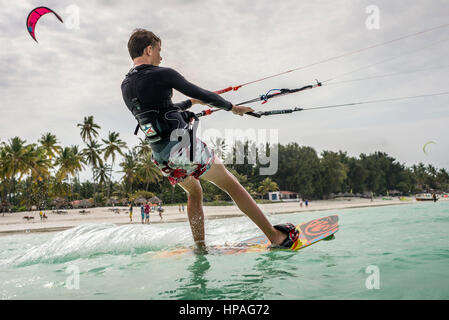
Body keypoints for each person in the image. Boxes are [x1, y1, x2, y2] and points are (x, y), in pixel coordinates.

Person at [121, 29, 299, 252]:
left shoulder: (126, 86)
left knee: (194, 192)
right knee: (231, 185)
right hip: (183, 148)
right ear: (148, 49)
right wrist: (231, 108)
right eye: (158, 50)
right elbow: (202, 92)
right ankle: (276, 237)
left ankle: (200, 247)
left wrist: (190, 104)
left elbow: (159, 112)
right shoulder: (162, 74)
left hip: (162, 157)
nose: (161, 56)